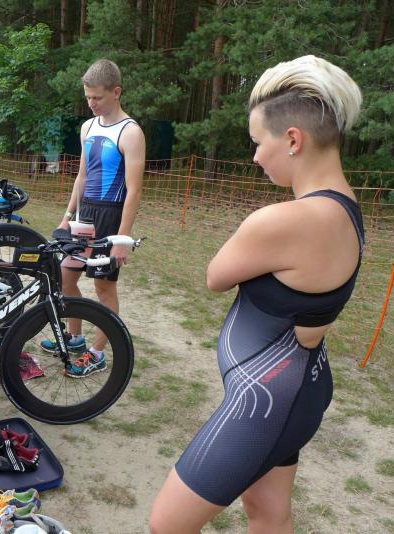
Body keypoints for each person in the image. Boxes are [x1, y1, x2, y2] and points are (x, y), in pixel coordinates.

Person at [149, 55, 365, 533]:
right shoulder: (347, 207)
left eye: (257, 142)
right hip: (298, 388)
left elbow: (215, 276)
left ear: (293, 140)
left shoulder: (286, 220)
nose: (254, 157)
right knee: (269, 514)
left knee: (168, 524)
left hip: (266, 402)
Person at [41, 59, 145, 378]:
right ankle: (75, 338)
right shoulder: (88, 127)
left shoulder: (131, 132)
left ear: (116, 92)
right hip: (84, 214)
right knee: (66, 278)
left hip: (111, 215)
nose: (91, 103)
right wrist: (67, 216)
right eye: (87, 97)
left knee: (103, 288)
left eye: (97, 97)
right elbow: (83, 176)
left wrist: (123, 239)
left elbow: (134, 190)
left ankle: (97, 352)